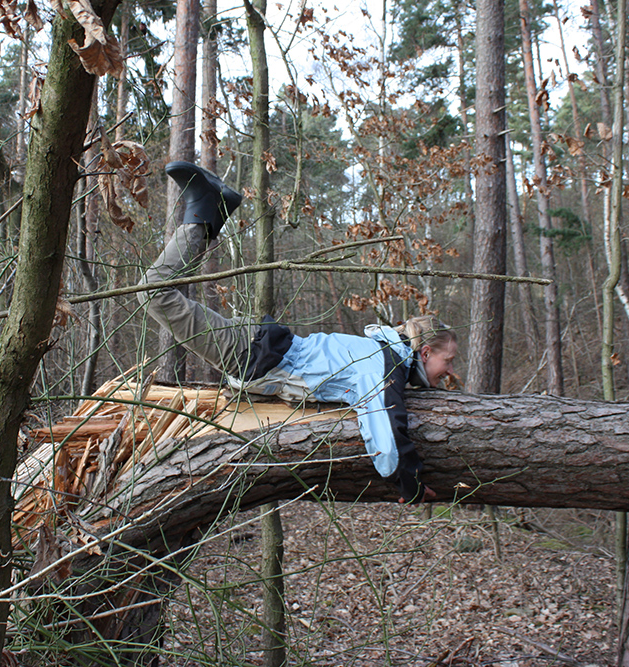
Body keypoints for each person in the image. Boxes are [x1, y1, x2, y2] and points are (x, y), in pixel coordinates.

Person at [137, 161, 459, 504]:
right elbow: (386, 434)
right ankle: (203, 212)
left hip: (255, 350)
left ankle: (211, 209)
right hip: (250, 352)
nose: (451, 370)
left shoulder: (382, 357)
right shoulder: (383, 365)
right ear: (425, 352)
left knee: (156, 293)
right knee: (153, 292)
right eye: (449, 360)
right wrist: (409, 484)